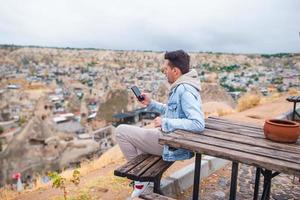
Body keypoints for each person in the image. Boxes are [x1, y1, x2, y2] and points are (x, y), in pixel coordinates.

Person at [116, 50, 205, 198]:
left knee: (121, 131)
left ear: (175, 71)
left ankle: (141, 181)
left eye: (166, 69)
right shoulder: (184, 85)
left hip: (171, 144)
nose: (164, 72)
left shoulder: (184, 90)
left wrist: (166, 122)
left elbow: (198, 123)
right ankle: (145, 182)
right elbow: (173, 111)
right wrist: (151, 104)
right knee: (135, 138)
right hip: (170, 139)